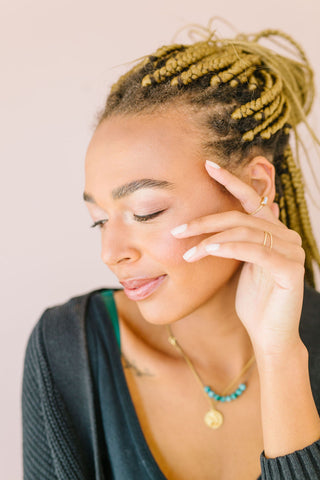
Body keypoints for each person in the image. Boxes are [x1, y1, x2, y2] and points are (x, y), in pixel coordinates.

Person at [22, 21, 320, 480]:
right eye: (99, 220)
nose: (111, 252)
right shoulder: (68, 348)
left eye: (145, 211)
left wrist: (281, 356)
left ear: (254, 186)